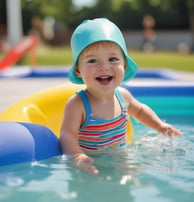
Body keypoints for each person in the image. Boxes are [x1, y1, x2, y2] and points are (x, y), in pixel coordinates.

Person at [60, 18, 181, 174]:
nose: (104, 66)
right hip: (91, 162)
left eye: (113, 59)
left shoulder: (123, 96)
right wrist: (77, 156)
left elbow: (141, 111)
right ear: (78, 70)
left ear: (124, 65)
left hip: (121, 157)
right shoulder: (78, 104)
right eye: (92, 61)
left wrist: (159, 126)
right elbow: (67, 134)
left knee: (133, 178)